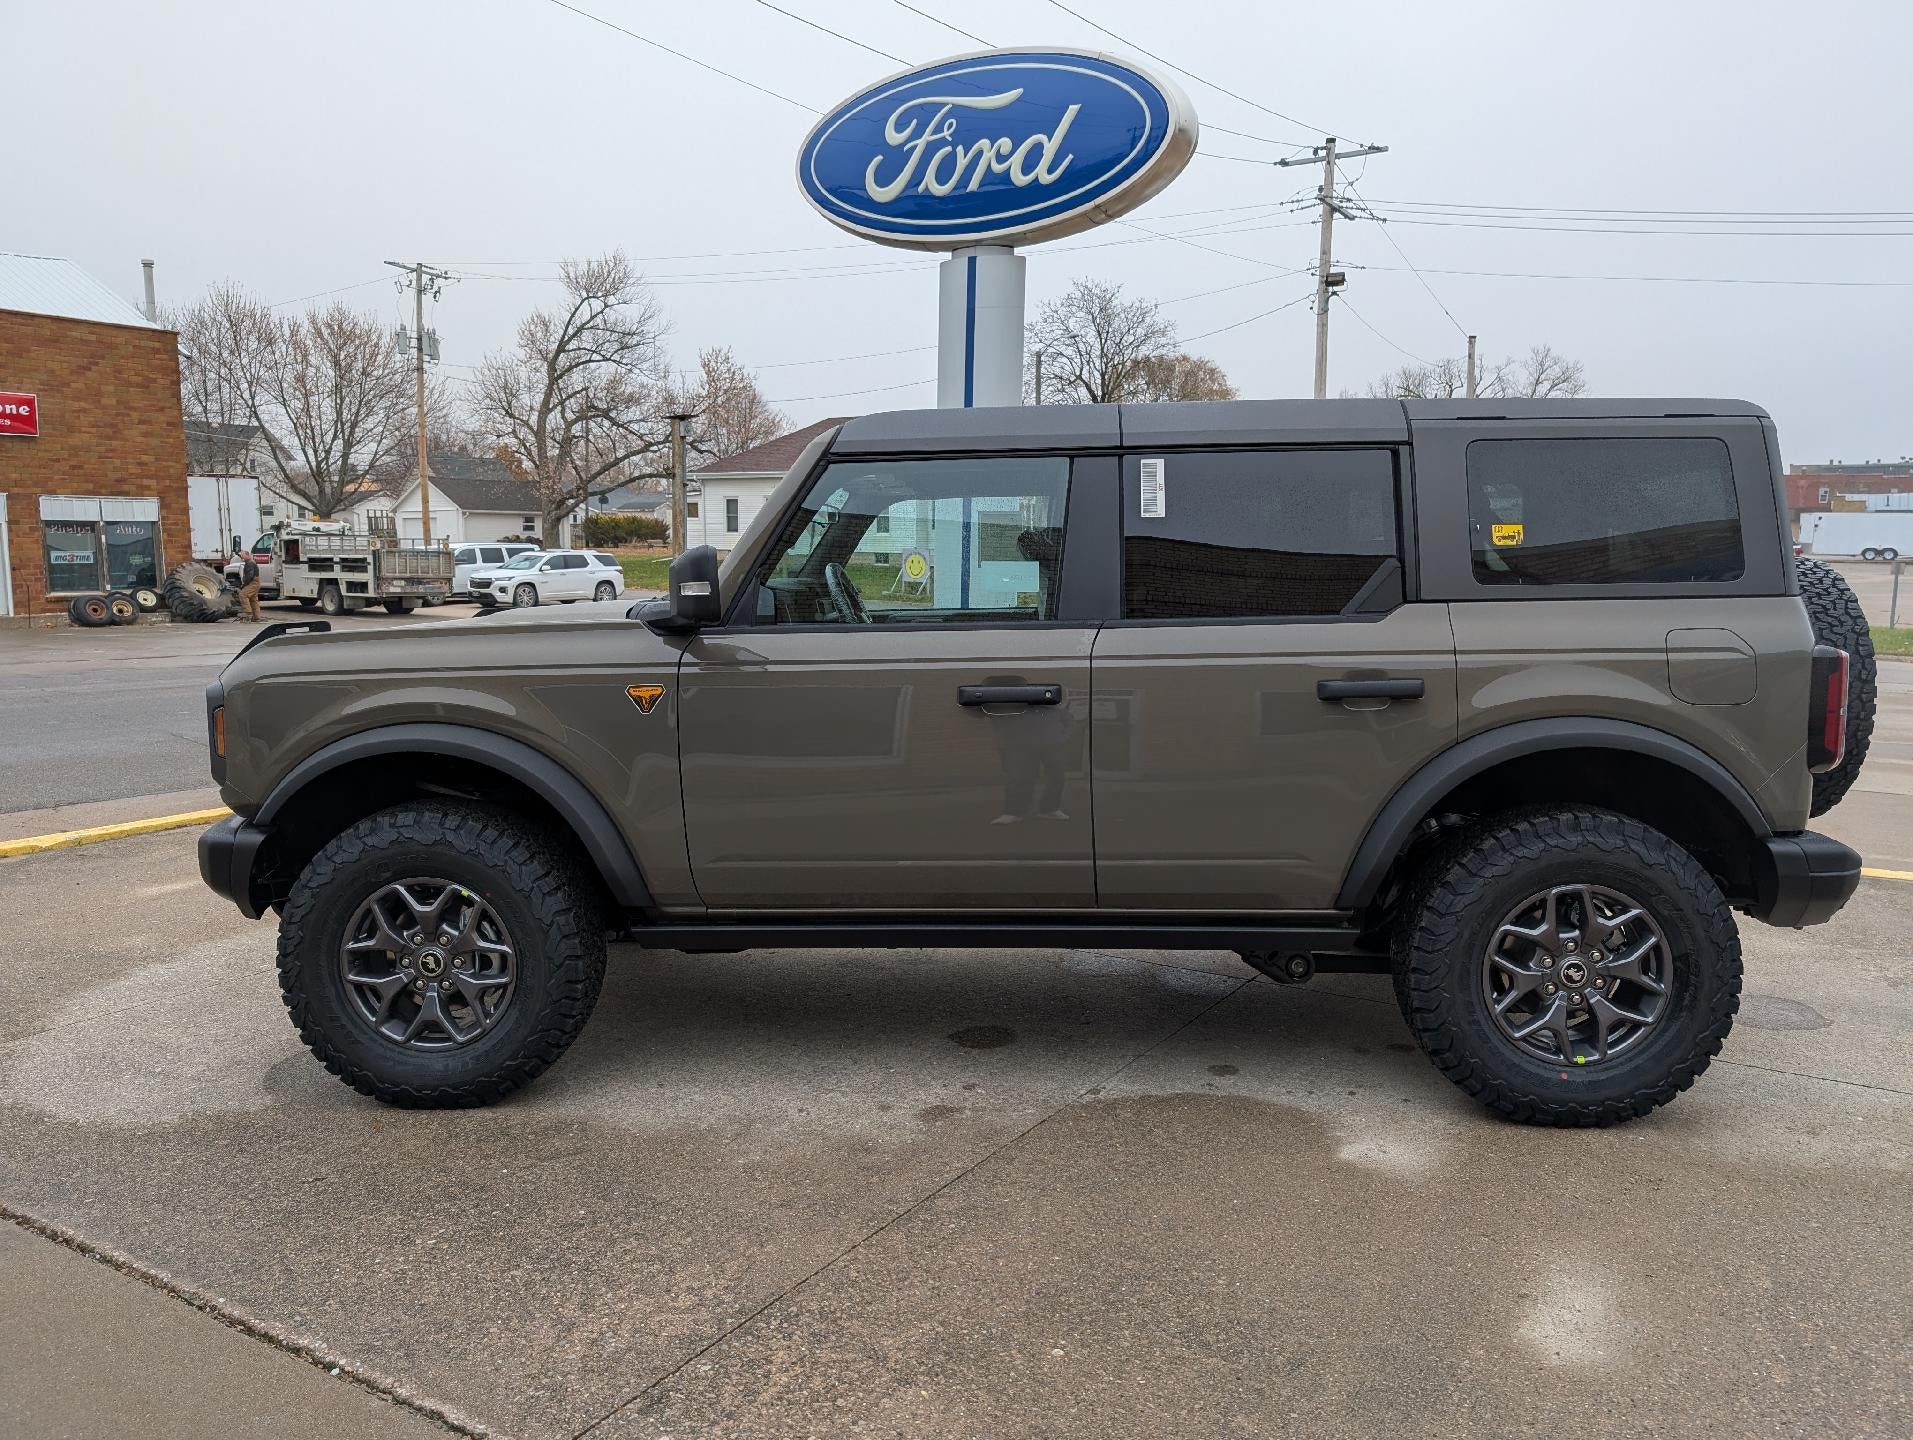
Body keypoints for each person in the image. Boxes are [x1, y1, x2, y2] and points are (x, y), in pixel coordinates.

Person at [233, 542, 262, 622]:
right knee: (253, 599)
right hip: (256, 583)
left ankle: (248, 614)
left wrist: (244, 585)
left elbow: (249, 576)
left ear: (247, 555)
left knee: (243, 594)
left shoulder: (250, 563)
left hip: (253, 583)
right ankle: (256, 617)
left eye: (242, 555)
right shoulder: (249, 562)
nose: (241, 557)